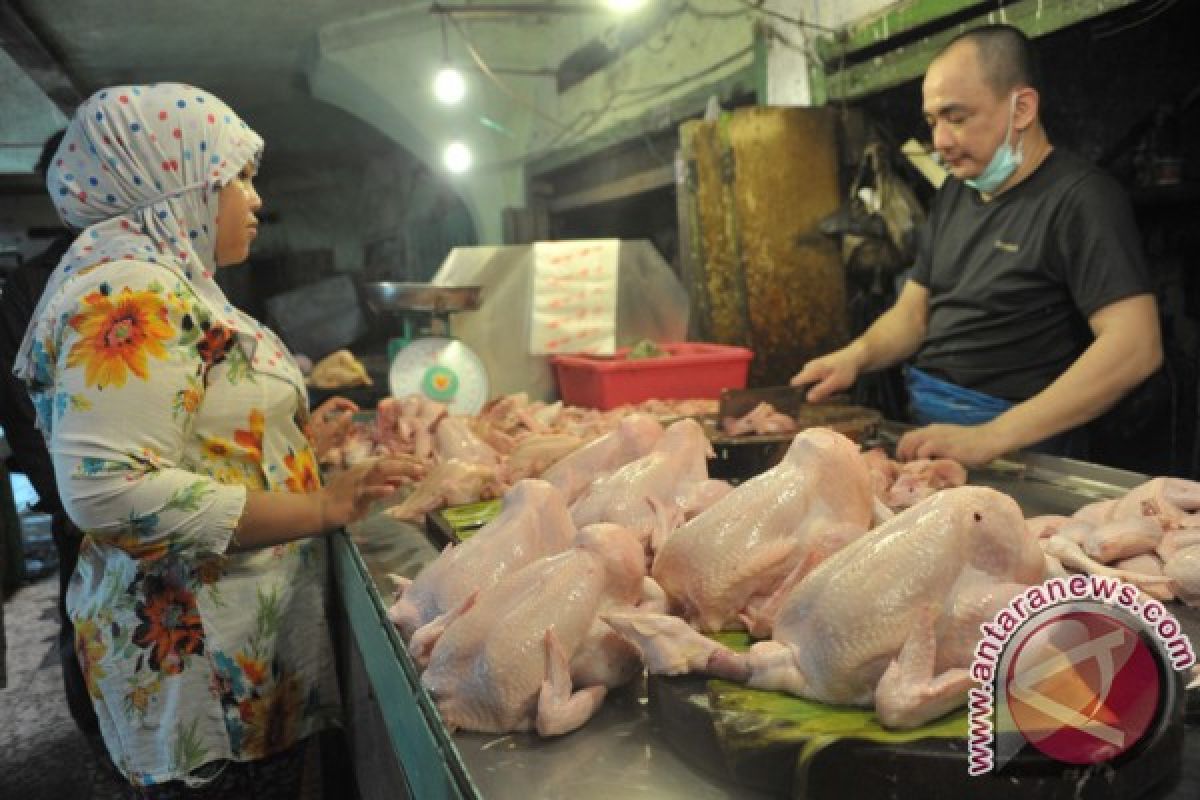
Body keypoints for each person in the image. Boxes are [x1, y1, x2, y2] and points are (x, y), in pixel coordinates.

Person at [13, 83, 411, 797]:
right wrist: (320, 508)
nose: (256, 199)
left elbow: (186, 433)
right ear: (177, 181)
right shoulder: (127, 294)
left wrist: (292, 445)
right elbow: (111, 491)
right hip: (203, 675)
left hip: (236, 660)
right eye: (240, 177)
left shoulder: (166, 279)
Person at [791, 24, 1162, 467]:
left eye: (957, 118)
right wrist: (856, 356)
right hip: (932, 431)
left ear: (1021, 108)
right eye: (932, 122)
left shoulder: (1081, 200)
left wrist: (990, 438)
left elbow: (1135, 346)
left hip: (1025, 449)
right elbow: (913, 315)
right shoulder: (955, 194)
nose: (940, 142)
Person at [0, 128, 106, 747]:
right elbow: (21, 407)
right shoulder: (34, 286)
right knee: (84, 612)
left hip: (144, 497)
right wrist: (68, 502)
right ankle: (93, 738)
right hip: (79, 496)